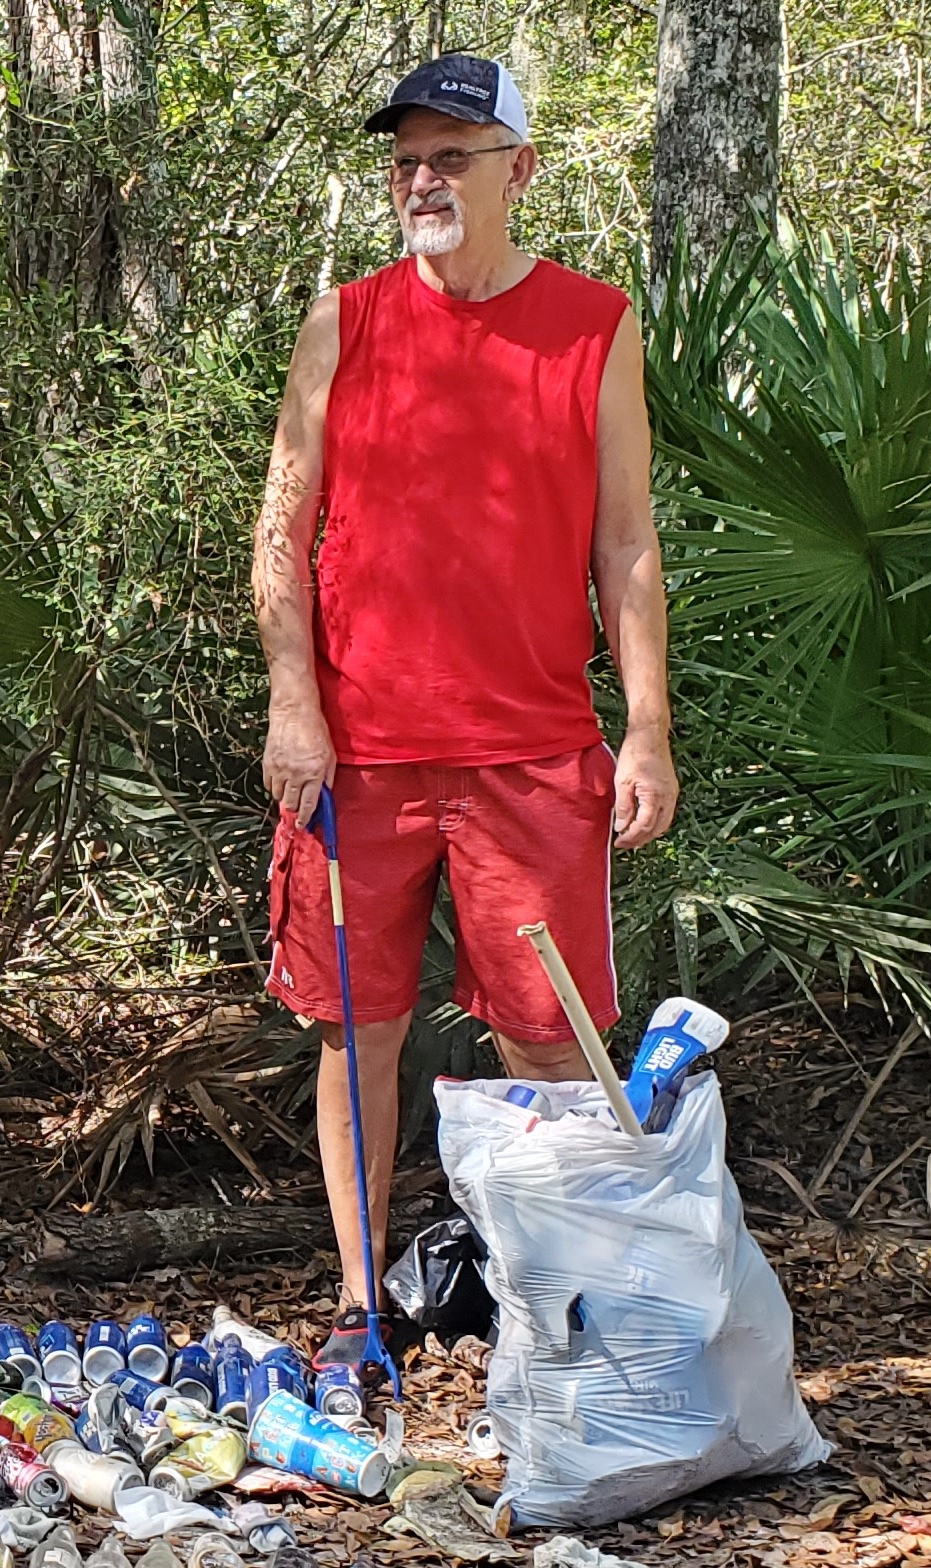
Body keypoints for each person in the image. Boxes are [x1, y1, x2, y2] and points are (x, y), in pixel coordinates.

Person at [253, 55, 678, 1367]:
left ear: (520, 172)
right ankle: (354, 1304)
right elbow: (280, 527)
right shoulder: (345, 322)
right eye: (406, 163)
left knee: (553, 1044)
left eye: (452, 157)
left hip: (533, 751)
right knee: (355, 1028)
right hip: (360, 758)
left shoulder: (594, 325)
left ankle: (572, 1317)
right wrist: (292, 702)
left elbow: (626, 544)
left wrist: (648, 727)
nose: (423, 182)